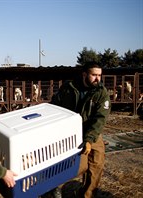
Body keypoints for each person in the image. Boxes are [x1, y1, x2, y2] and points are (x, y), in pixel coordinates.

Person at [50, 62, 111, 198]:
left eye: (99, 75)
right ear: (84, 74)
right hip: (69, 133)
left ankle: (87, 195)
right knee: (73, 165)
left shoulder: (101, 93)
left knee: (96, 165)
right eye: (94, 75)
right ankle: (54, 187)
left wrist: (89, 139)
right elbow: (54, 106)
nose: (97, 78)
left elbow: (100, 119)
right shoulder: (68, 88)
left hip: (92, 133)